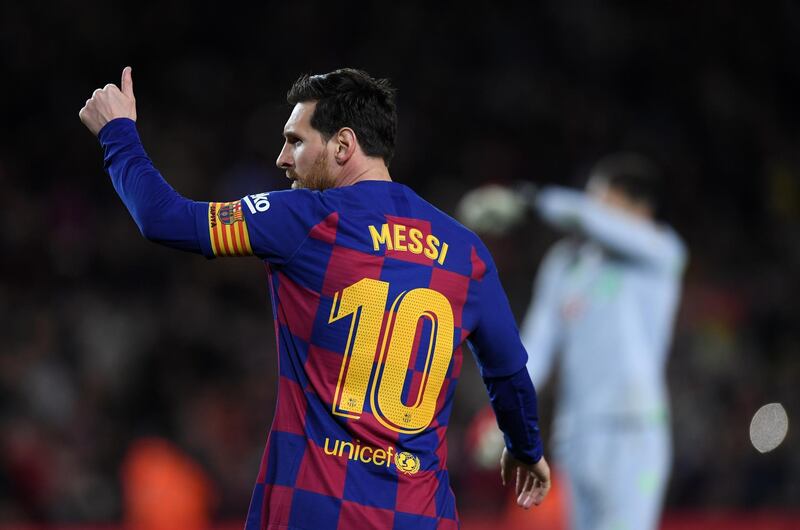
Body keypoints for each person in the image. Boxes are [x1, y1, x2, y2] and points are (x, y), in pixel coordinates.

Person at [79, 66, 550, 530]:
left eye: (296, 141)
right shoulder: (465, 250)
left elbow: (164, 219)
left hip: (314, 511)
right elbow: (508, 372)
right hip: (418, 517)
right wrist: (526, 449)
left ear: (343, 145)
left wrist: (117, 133)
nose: (283, 159)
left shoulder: (305, 220)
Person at [459, 154, 686, 530]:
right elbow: (537, 348)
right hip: (576, 434)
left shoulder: (661, 253)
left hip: (633, 432)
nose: (591, 208)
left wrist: (528, 200)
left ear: (638, 207)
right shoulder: (564, 263)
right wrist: (504, 414)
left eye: (601, 198)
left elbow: (584, 217)